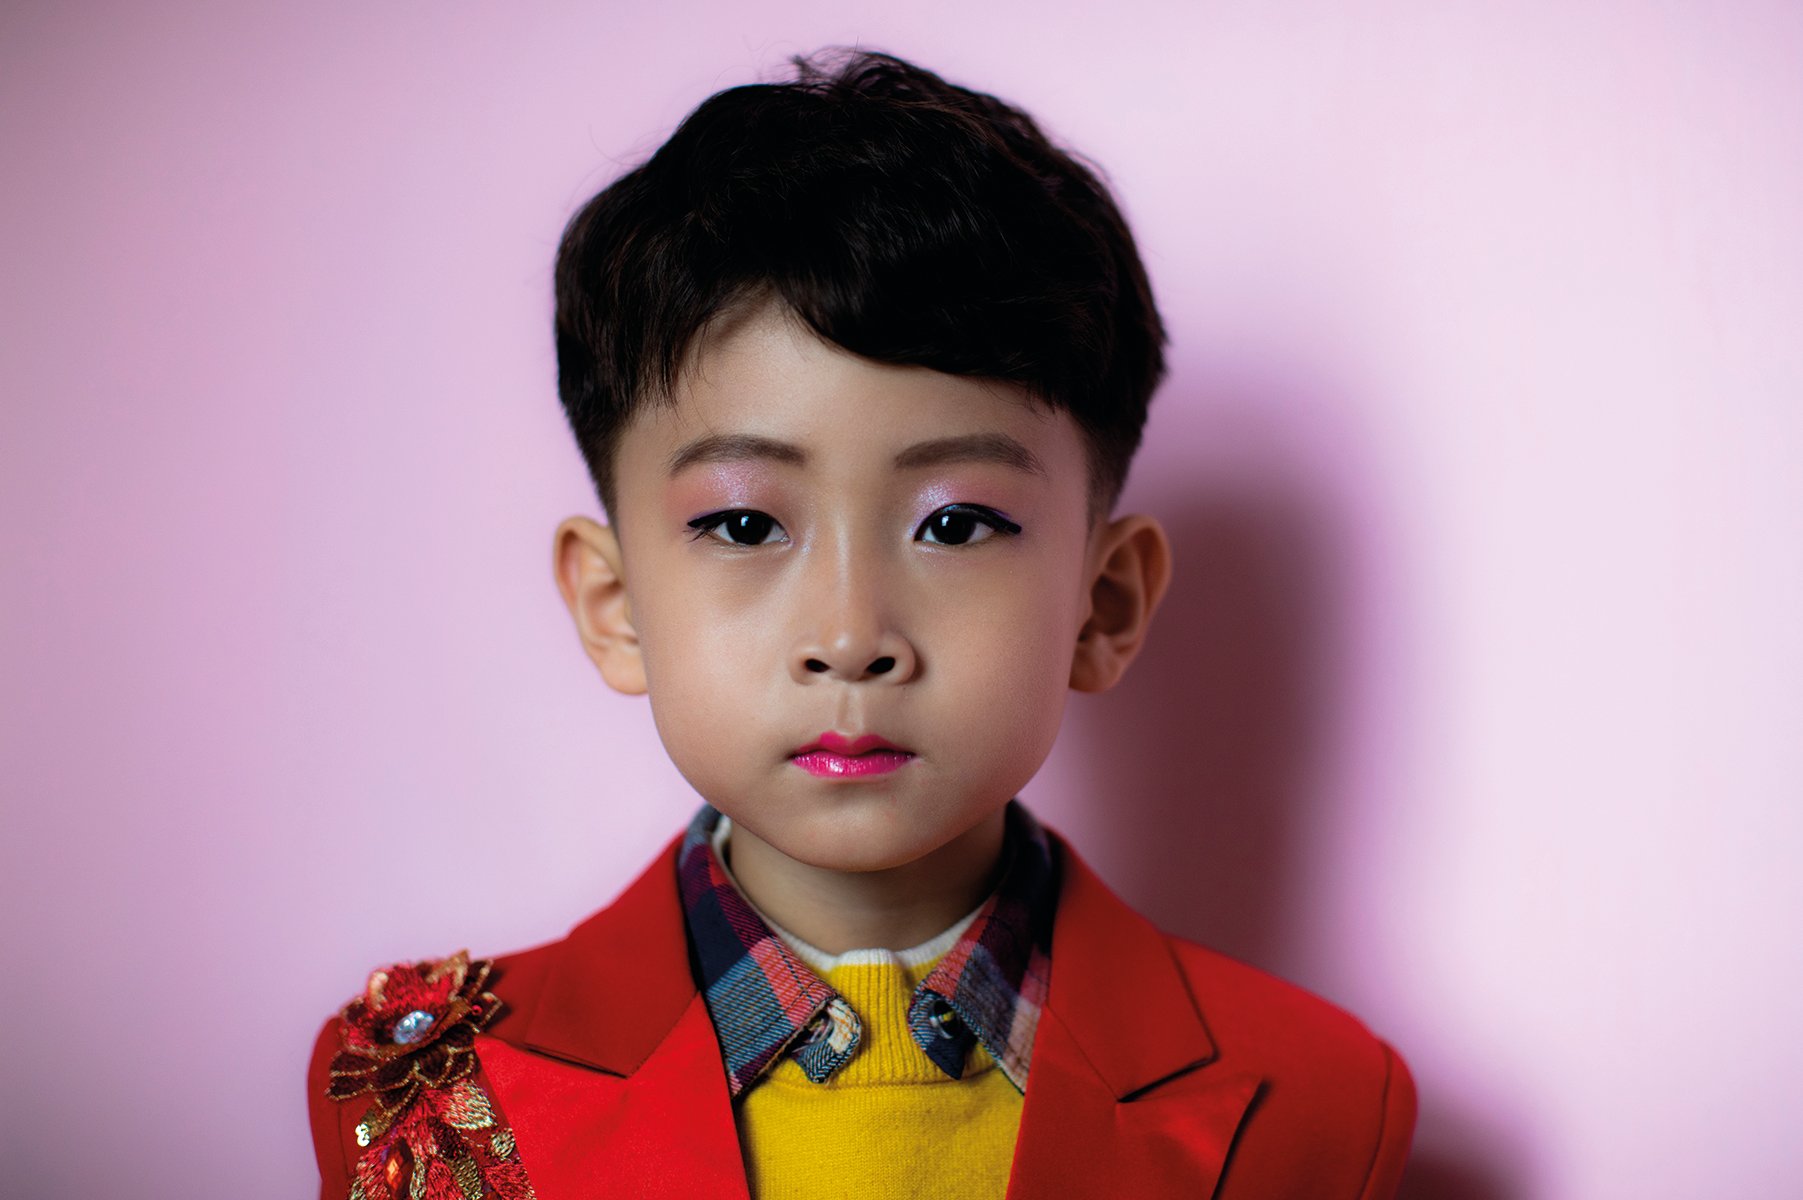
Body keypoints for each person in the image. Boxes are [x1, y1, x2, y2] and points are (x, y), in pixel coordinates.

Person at [306, 47, 1416, 1200]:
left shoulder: (1323, 1105)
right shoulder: (421, 1089)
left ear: (1105, 601)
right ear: (614, 603)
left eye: (957, 524)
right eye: (743, 527)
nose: (851, 635)